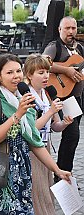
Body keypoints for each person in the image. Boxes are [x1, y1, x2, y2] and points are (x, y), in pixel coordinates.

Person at [0, 53, 71, 214]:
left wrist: (57, 170)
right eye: (9, 72)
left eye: (18, 71)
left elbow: (34, 141)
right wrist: (18, 114)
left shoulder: (22, 98)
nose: (16, 76)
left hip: (22, 173)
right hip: (0, 173)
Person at [24, 54, 73, 215]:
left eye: (47, 72)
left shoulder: (48, 93)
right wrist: (51, 111)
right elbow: (31, 129)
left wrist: (64, 123)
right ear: (29, 75)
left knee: (47, 187)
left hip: (45, 146)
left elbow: (55, 126)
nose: (46, 76)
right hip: (32, 149)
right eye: (40, 72)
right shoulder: (26, 96)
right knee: (37, 189)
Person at [42, 16, 84, 182]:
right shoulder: (55, 46)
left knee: (71, 137)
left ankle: (64, 173)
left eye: (73, 28)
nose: (71, 32)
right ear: (60, 29)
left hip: (77, 97)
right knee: (72, 135)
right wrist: (66, 71)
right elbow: (42, 63)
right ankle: (62, 175)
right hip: (64, 98)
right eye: (67, 28)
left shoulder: (79, 47)